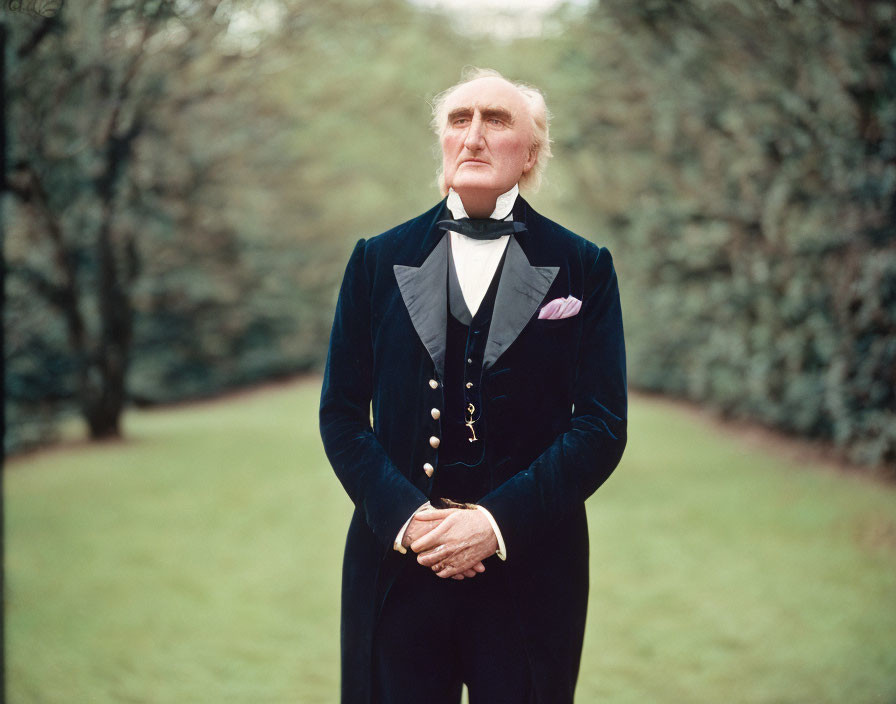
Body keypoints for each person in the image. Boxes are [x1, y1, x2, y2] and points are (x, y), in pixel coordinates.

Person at [319, 67, 627, 704]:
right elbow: (343, 416)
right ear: (442, 142)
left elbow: (601, 425)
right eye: (460, 120)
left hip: (531, 570)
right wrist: (407, 519)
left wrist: (495, 522)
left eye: (497, 119)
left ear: (532, 150)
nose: (475, 135)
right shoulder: (376, 259)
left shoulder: (584, 266)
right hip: (397, 565)